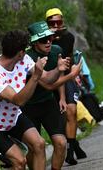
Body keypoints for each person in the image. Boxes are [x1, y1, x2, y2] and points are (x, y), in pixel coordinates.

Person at [0, 30, 64, 170]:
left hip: (11, 115)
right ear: (19, 52)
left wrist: (58, 69)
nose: (26, 52)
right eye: (25, 49)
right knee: (19, 162)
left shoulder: (24, 60)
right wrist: (35, 76)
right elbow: (18, 100)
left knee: (39, 144)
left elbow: (47, 78)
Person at [22, 21, 78, 170]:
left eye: (50, 38)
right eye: (43, 40)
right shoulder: (27, 58)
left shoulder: (56, 51)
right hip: (28, 107)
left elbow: (57, 78)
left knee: (60, 143)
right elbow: (48, 83)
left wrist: (62, 98)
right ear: (34, 43)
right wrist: (71, 74)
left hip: (48, 102)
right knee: (34, 148)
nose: (48, 42)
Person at [45, 8, 87, 165]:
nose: (56, 25)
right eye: (52, 23)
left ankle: (70, 150)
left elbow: (65, 64)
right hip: (48, 77)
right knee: (60, 115)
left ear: (63, 22)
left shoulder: (68, 37)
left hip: (66, 74)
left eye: (59, 22)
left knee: (71, 110)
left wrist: (62, 95)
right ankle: (73, 144)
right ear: (47, 24)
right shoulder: (43, 39)